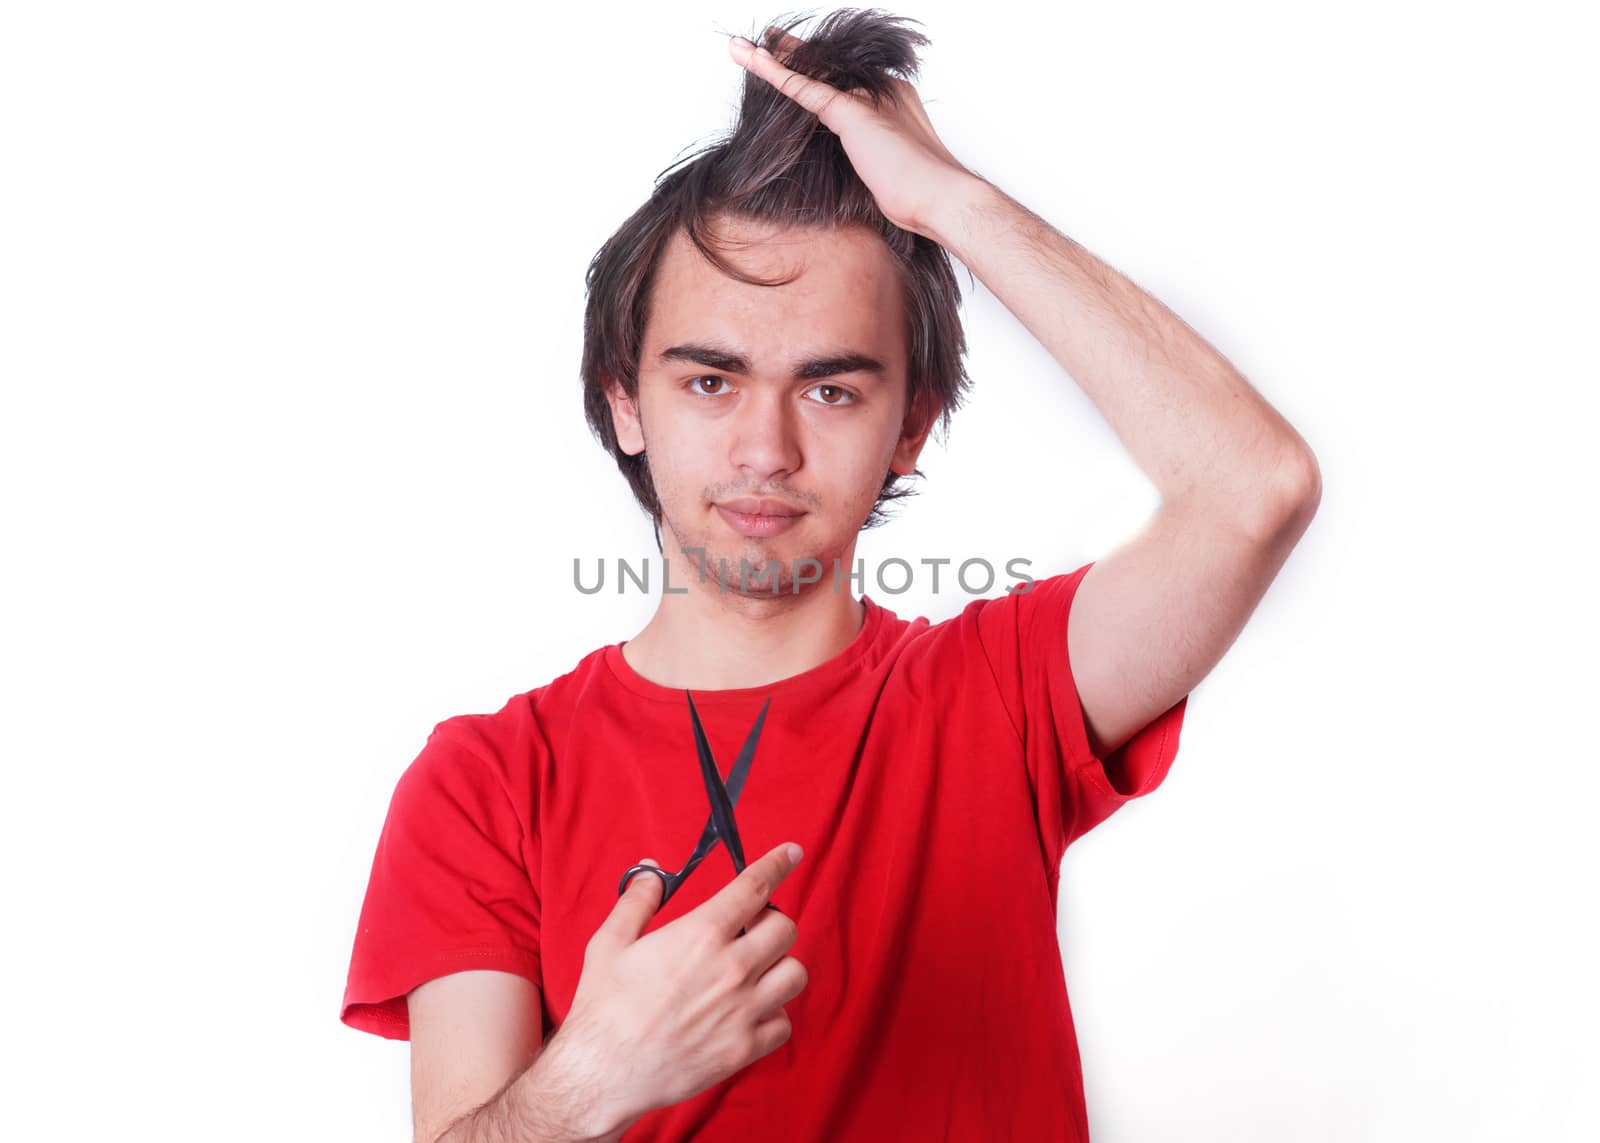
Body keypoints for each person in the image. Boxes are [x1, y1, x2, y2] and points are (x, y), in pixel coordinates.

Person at [340, 11, 1321, 1142]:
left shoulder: (1000, 697)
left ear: (912, 426)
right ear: (625, 401)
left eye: (831, 390)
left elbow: (1254, 491)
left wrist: (946, 203)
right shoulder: (487, 781)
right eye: (710, 383)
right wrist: (590, 1079)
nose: (765, 451)